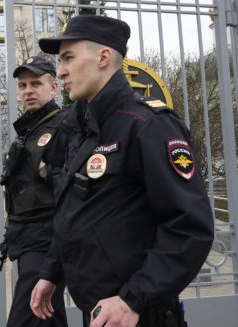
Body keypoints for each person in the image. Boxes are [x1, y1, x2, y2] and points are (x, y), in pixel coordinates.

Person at [30, 15, 214, 327]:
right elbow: (76, 213)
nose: (60, 72)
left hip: (139, 314)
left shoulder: (147, 126)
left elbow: (189, 227)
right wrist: (51, 271)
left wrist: (133, 298)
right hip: (102, 312)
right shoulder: (82, 129)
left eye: (68, 58)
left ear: (103, 57)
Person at [0, 56, 68, 327]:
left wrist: (47, 170)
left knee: (28, 315)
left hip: (47, 239)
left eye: (36, 83)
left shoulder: (65, 124)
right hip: (26, 237)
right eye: (23, 85)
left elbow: (78, 178)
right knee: (48, 314)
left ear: (53, 88)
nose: (28, 90)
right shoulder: (27, 129)